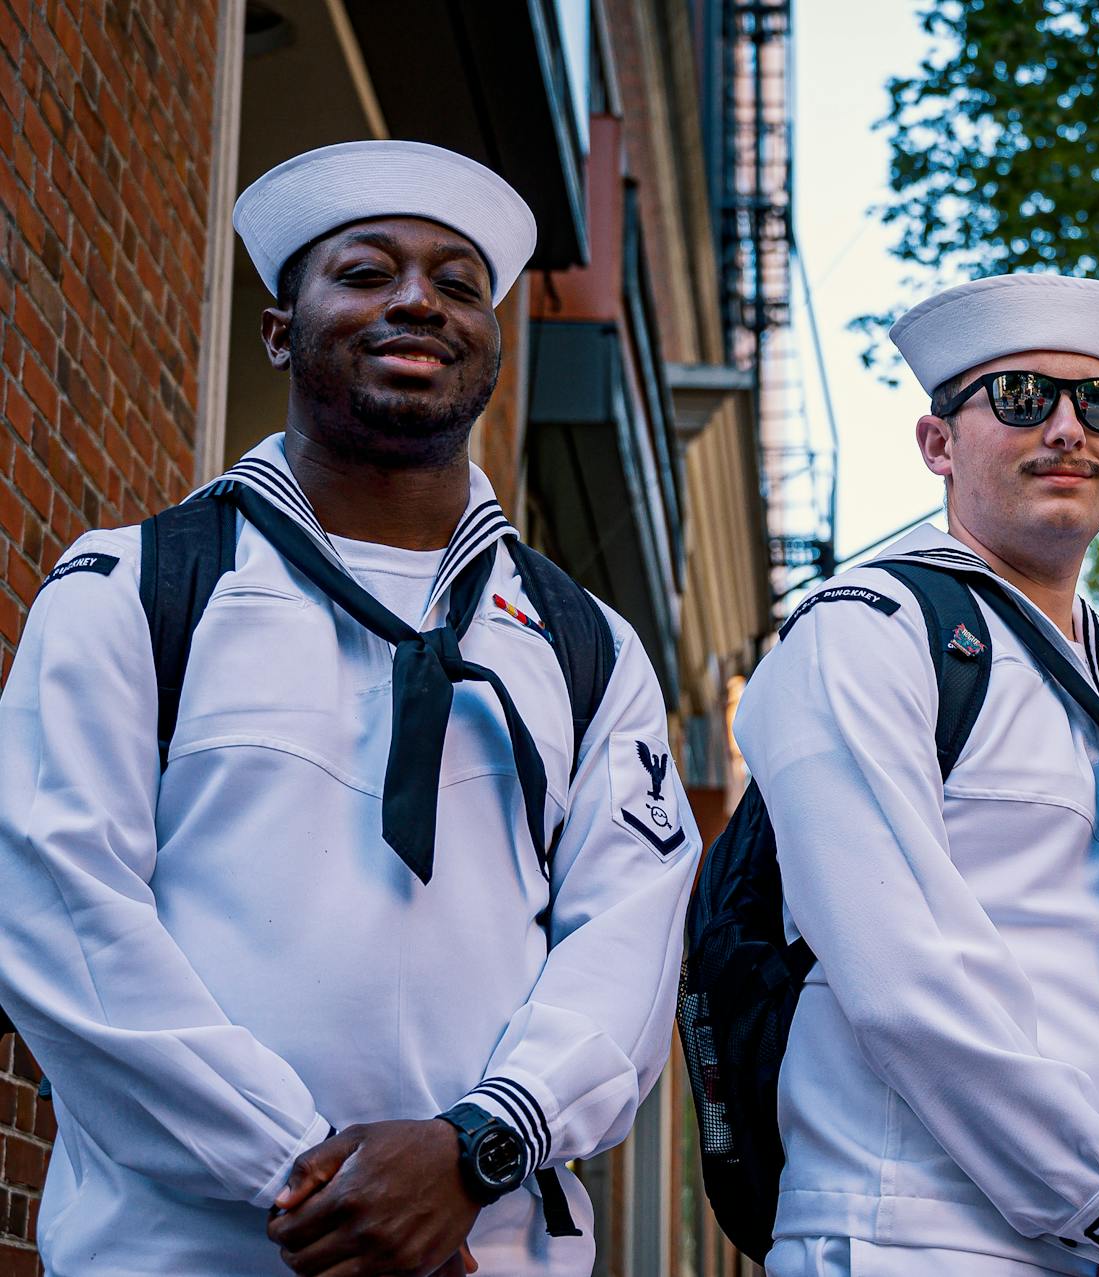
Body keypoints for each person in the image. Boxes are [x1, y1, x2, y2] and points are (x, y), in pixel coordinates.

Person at [0, 141, 701, 1275]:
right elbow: (59, 917)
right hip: (187, 1252)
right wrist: (318, 1180)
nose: (418, 298)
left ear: (491, 343)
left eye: (459, 283)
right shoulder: (132, 585)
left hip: (489, 1247)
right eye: (367, 271)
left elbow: (628, 941)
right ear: (281, 327)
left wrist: (472, 1150)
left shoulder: (590, 646)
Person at [731, 273, 1099, 1277]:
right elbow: (907, 971)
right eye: (1022, 398)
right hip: (916, 1231)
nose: (1069, 426)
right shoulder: (865, 633)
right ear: (939, 444)